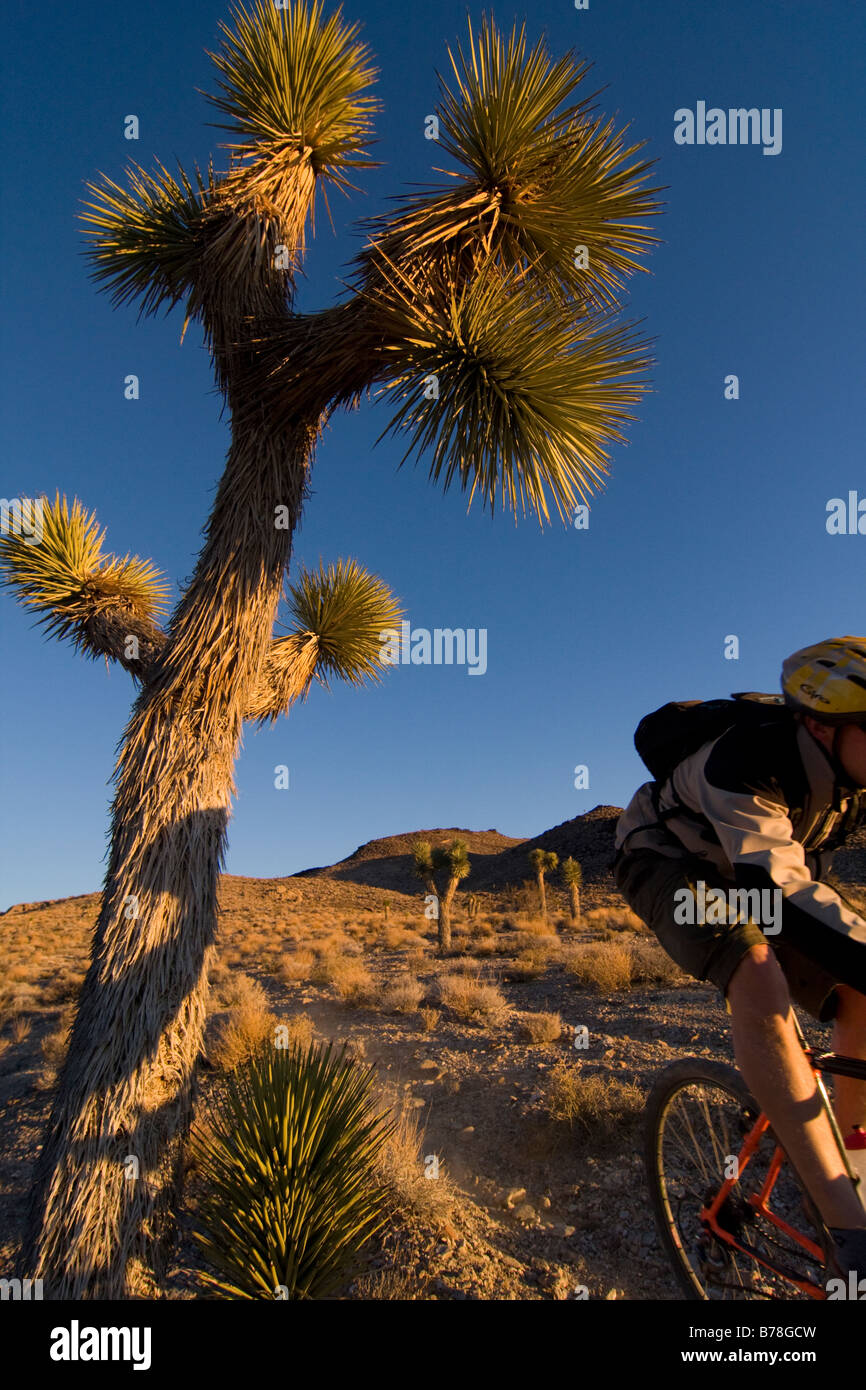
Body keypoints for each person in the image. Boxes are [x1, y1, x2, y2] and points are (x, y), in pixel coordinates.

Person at [613, 636, 866, 1283]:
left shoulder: (851, 776)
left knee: (858, 990)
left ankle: (857, 1161)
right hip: (670, 861)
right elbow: (769, 888)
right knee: (755, 974)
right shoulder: (751, 754)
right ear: (820, 722)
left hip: (758, 867)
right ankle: (849, 1232)